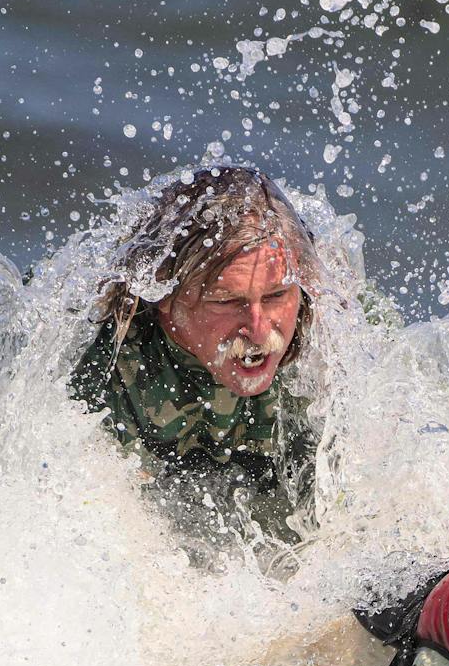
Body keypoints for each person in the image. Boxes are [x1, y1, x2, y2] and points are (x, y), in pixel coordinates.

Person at [70, 167, 327, 543]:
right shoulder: (95, 364)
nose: (259, 331)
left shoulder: (341, 338)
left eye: (276, 297)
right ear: (164, 298)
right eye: (227, 301)